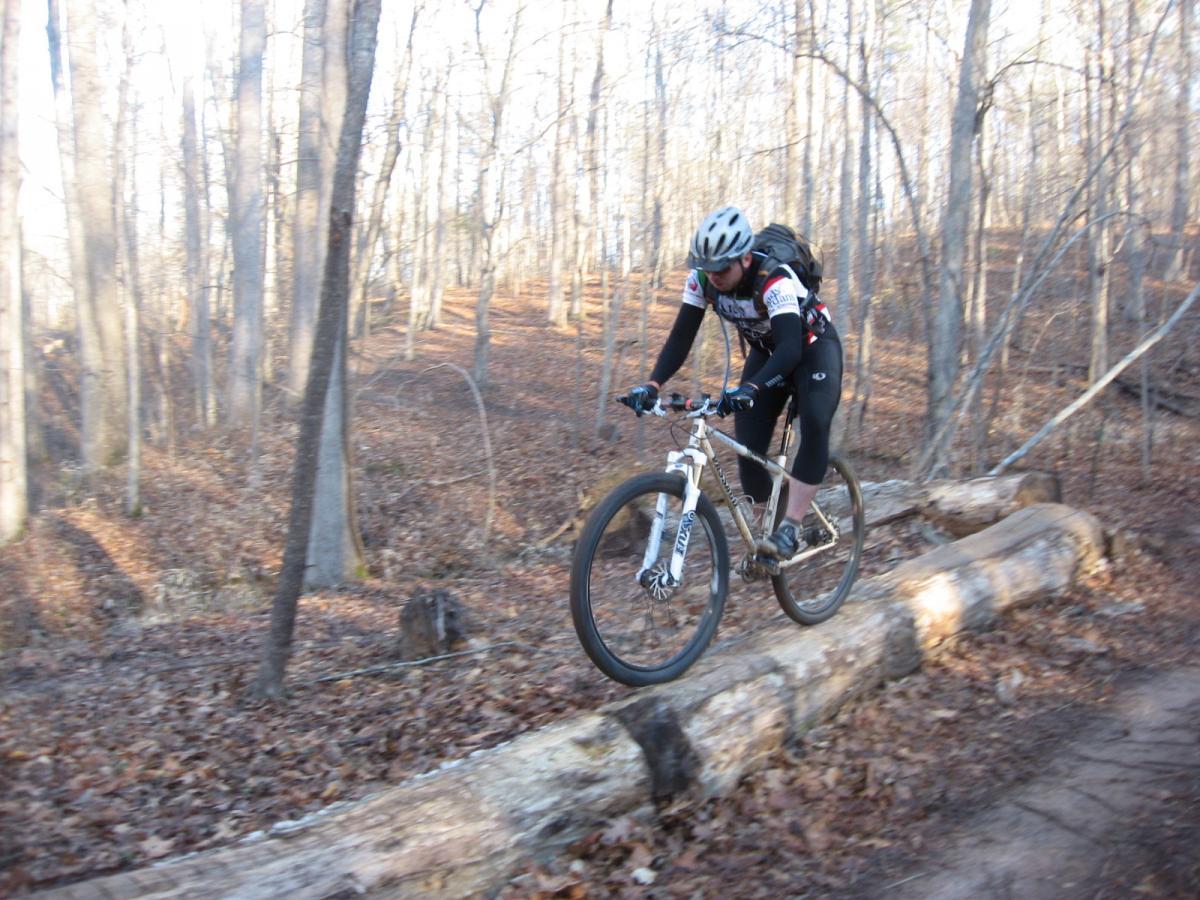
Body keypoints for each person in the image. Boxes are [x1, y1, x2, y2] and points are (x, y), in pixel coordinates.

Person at [622, 205, 843, 560]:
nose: (714, 276)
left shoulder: (775, 278)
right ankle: (769, 535)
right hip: (766, 352)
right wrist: (652, 385)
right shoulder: (703, 280)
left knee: (816, 419)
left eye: (721, 268)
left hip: (811, 349)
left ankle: (791, 527)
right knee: (750, 448)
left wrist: (752, 388)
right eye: (706, 268)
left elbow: (789, 348)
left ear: (743, 258)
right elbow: (681, 338)